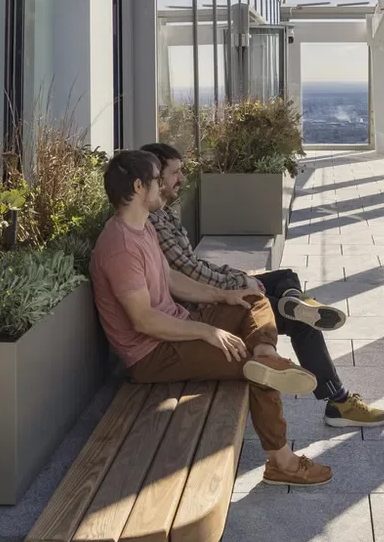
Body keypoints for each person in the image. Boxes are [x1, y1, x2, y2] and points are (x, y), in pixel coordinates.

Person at [92, 150, 331, 486]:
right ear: (138, 187)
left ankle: (266, 352)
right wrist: (206, 331)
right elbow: (144, 320)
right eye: (157, 179)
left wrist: (223, 296)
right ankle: (282, 462)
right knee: (255, 369)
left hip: (177, 326)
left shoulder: (142, 227)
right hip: (153, 353)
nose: (163, 185)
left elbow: (172, 279)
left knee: (253, 299)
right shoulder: (120, 248)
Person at [141, 143, 384, 428]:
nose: (181, 179)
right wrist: (239, 282)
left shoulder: (163, 214)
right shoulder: (153, 223)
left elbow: (194, 264)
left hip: (207, 291)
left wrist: (239, 275)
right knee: (301, 323)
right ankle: (338, 402)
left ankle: (295, 300)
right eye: (175, 172)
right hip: (201, 305)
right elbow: (189, 273)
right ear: (156, 178)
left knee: (284, 277)